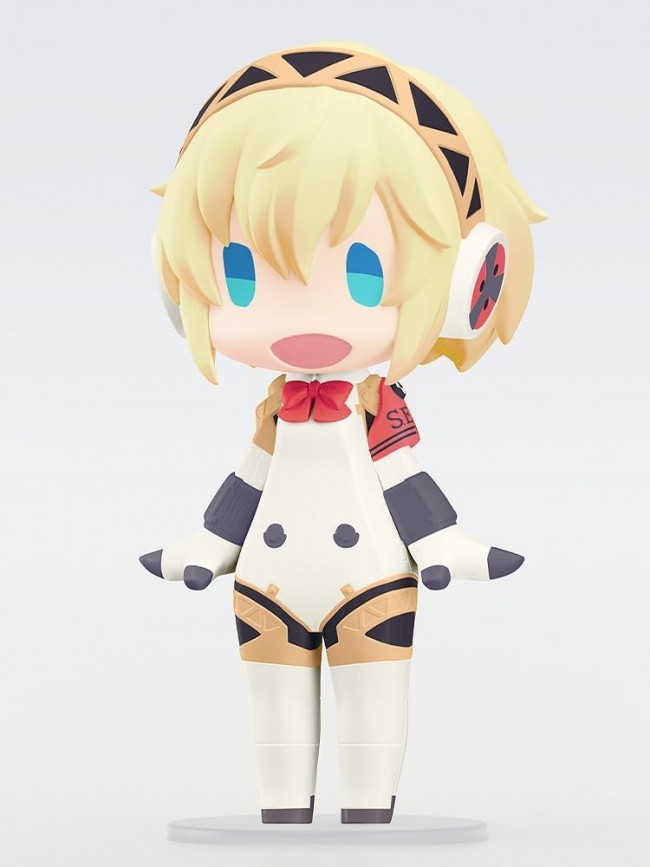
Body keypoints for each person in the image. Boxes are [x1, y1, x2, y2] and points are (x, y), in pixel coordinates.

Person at [140, 42, 545, 824]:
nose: (302, 323)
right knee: (273, 721)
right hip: (265, 585)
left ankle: (367, 817)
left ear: (471, 282)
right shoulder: (273, 412)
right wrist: (206, 545)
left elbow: (407, 482)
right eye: (242, 276)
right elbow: (247, 484)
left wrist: (446, 547)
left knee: (373, 710)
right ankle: (280, 813)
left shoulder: (374, 406)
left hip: (371, 584)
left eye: (364, 272)